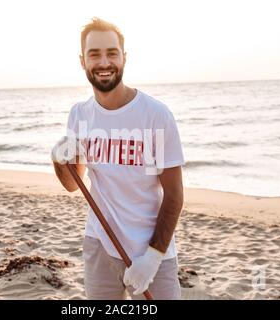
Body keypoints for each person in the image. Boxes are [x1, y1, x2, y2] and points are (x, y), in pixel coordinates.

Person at [51, 17, 184, 300]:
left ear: (124, 57)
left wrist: (153, 257)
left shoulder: (156, 115)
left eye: (112, 53)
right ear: (82, 61)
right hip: (100, 244)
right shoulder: (79, 114)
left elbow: (174, 196)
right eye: (94, 54)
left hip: (151, 248)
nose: (104, 62)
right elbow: (73, 184)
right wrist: (58, 159)